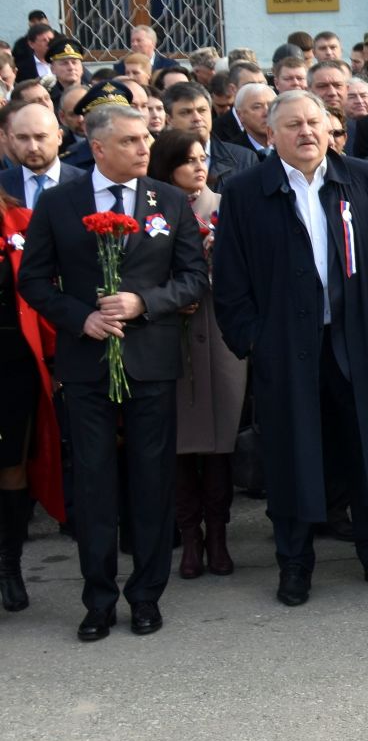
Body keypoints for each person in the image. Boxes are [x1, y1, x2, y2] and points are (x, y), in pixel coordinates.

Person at [212, 90, 368, 607]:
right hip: (284, 348)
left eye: (314, 123)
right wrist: (254, 341)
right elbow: (229, 278)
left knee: (367, 452)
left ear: (329, 129)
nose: (306, 132)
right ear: (271, 135)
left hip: (357, 345)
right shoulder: (244, 190)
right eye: (293, 125)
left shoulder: (362, 178)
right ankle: (295, 563)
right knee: (291, 456)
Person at [19, 100, 207, 641]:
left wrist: (142, 303)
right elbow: (33, 283)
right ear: (97, 148)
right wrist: (81, 319)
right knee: (96, 485)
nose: (144, 148)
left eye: (146, 139)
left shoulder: (168, 200)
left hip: (150, 361)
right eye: (129, 141)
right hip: (85, 365)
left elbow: (194, 278)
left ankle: (146, 595)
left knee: (151, 484)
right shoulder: (58, 204)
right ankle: (97, 599)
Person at [150, 129, 245, 579]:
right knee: (182, 447)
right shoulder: (152, 209)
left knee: (220, 442)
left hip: (221, 337)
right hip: (170, 336)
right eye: (187, 160)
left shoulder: (226, 208)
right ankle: (190, 539)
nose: (198, 166)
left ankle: (220, 535)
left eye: (202, 157)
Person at [0, 177, 66, 615]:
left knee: (11, 466)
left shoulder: (20, 219)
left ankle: (9, 566)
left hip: (12, 365)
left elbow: (43, 291)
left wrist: (55, 357)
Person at [162, 81, 255, 190]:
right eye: (186, 112)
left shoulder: (245, 159)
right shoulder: (158, 161)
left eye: (202, 110)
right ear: (169, 120)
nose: (197, 118)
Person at [1, 95, 85, 207]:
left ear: (59, 137)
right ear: (12, 140)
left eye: (40, 137)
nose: (32, 147)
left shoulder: (85, 183)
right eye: (23, 138)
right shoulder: (2, 185)